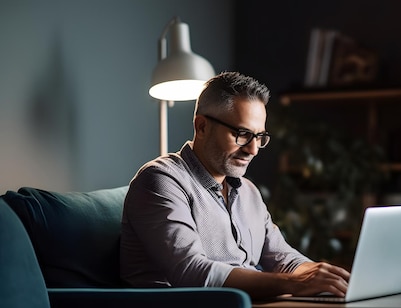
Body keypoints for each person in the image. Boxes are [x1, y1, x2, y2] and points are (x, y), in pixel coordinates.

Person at [120, 71, 350, 299]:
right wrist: (293, 284)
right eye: (242, 134)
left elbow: (284, 260)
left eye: (259, 137)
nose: (252, 150)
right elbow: (190, 272)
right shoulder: (161, 180)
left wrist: (331, 279)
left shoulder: (248, 191)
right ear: (202, 127)